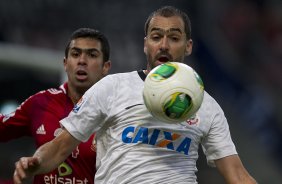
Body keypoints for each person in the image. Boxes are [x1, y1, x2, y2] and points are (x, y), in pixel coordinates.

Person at [13, 6, 257, 184]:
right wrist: (35, 163)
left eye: (173, 38)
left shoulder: (206, 105)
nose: (163, 45)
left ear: (188, 46)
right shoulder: (113, 87)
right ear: (145, 44)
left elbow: (235, 173)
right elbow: (59, 148)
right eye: (156, 37)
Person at [1, 27, 111, 183]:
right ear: (65, 63)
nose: (82, 61)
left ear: (106, 67)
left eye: (92, 55)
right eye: (75, 54)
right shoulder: (40, 102)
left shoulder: (115, 111)